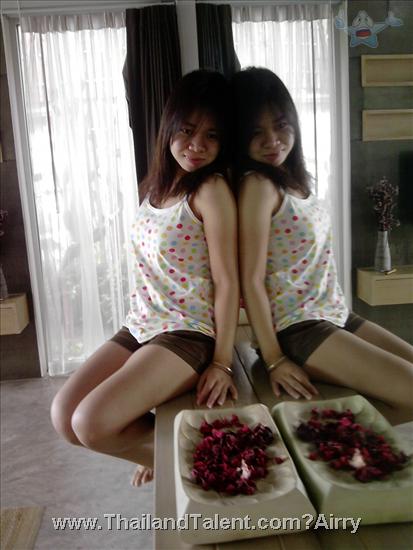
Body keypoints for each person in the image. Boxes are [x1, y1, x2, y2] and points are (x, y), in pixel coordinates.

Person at [51, 70, 239, 486]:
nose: (197, 145)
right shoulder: (153, 188)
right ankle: (160, 449)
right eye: (188, 130)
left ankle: (224, 463)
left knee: (91, 423)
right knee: (64, 417)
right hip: (141, 324)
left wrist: (222, 363)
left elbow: (227, 282)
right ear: (169, 127)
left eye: (212, 136)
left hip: (187, 332)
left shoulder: (209, 191)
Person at [232, 67, 413, 423]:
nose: (272, 140)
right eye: (256, 132)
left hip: (333, 314)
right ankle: (314, 435)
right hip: (298, 328)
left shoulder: (294, 181)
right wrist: (274, 359)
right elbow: (250, 281)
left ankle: (326, 433)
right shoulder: (258, 186)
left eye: (281, 125)